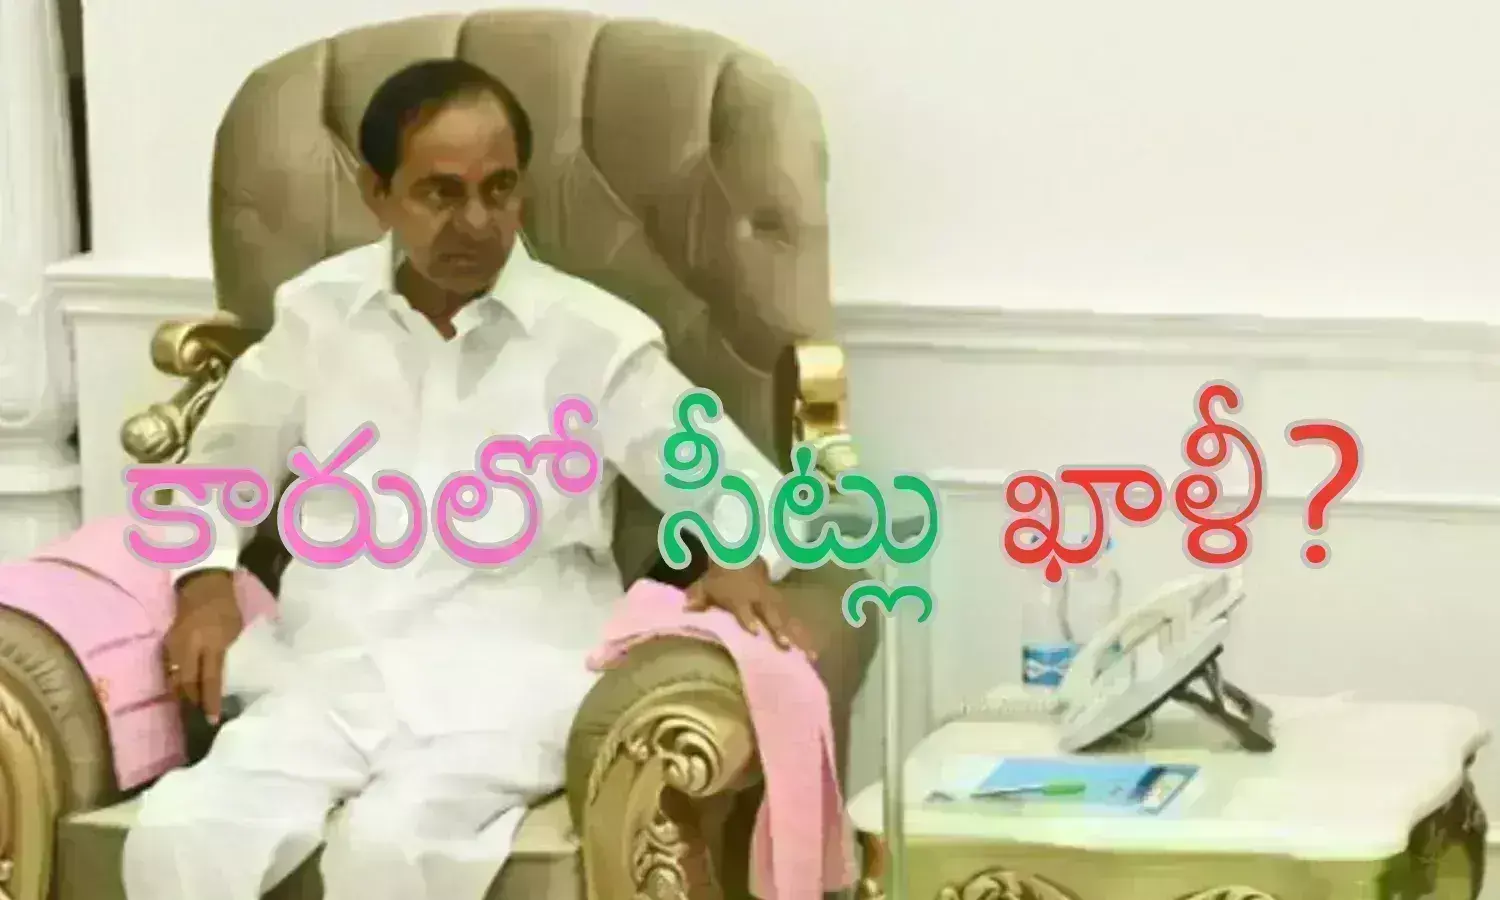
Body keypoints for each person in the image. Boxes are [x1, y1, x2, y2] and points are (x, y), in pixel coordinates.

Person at [123, 58, 811, 900]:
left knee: (393, 848)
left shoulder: (593, 339)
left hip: (509, 687)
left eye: (499, 188)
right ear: (378, 193)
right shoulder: (316, 315)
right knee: (181, 835)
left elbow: (748, 493)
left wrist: (739, 556)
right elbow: (217, 471)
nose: (477, 222)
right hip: (331, 671)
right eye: (441, 193)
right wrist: (203, 587)